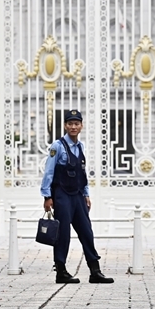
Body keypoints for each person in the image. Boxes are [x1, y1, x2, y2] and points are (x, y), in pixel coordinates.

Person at [41, 109, 113, 284]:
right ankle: (61, 271)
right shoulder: (57, 146)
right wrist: (47, 196)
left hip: (78, 196)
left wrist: (86, 193)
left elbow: (82, 173)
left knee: (86, 232)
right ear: (65, 126)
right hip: (62, 196)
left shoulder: (81, 147)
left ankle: (95, 271)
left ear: (81, 126)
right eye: (70, 124)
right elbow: (49, 172)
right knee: (63, 233)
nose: (73, 127)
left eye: (76, 124)